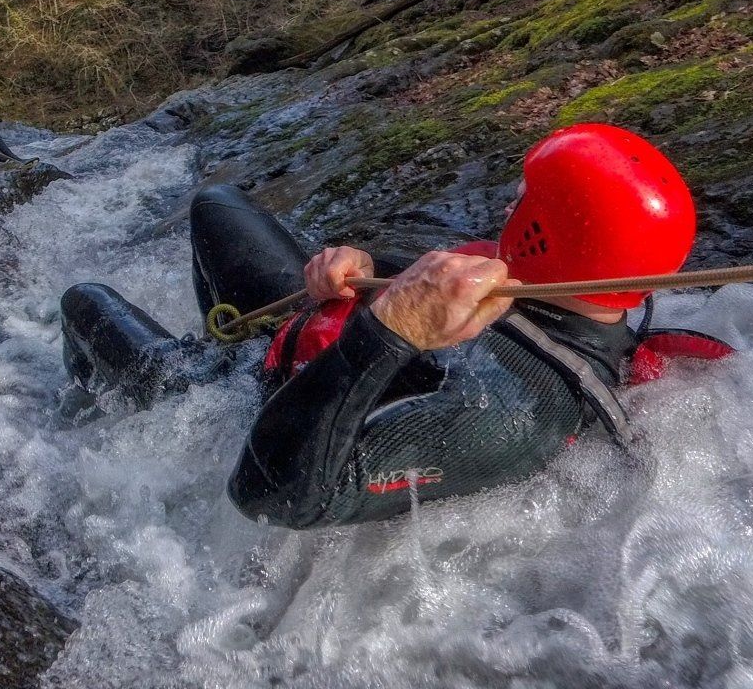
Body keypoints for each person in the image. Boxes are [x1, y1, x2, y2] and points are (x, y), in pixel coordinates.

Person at [60, 122, 717, 529]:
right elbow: (418, 279)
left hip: (262, 421)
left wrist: (388, 328)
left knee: (84, 301)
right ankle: (213, 344)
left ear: (549, 235)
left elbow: (272, 498)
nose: (509, 201)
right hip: (306, 352)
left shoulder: (515, 414)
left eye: (525, 200)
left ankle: (89, 413)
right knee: (216, 203)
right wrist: (367, 269)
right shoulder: (554, 287)